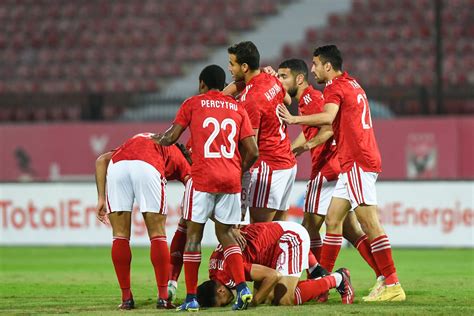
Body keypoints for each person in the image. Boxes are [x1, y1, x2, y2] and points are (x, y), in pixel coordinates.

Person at [278, 45, 406, 302]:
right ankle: (326, 286)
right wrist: (304, 145)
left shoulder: (334, 88)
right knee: (334, 220)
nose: (312, 68)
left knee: (369, 223)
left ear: (327, 66)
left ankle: (392, 282)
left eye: (315, 64)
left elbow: (328, 117)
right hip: (351, 163)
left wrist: (293, 121)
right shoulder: (354, 84)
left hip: (357, 161)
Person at [155, 64, 259, 311]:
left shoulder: (193, 103)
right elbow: (253, 151)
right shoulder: (238, 108)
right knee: (226, 236)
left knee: (194, 237)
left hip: (202, 178)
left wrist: (155, 140)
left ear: (202, 83)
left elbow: (171, 137)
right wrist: (237, 170)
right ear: (223, 85)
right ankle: (243, 289)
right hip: (230, 180)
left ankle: (191, 298)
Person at [95, 134, 191, 310]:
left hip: (118, 167)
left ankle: (126, 299)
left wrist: (101, 198)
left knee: (120, 236)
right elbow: (192, 184)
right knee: (157, 234)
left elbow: (101, 160)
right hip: (148, 164)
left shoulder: (142, 139)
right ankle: (163, 298)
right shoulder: (176, 153)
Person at [196, 221, 354, 307]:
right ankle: (314, 268)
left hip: (288, 238)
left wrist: (254, 303)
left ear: (221, 291)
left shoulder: (230, 270)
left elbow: (273, 275)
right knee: (269, 298)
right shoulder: (215, 271)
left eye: (223, 304)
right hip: (270, 244)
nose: (227, 304)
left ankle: (339, 278)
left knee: (285, 300)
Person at [227, 41, 297, 223]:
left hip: (269, 167)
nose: (229, 68)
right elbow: (288, 100)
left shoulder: (251, 99)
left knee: (259, 232)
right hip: (287, 163)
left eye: (232, 64)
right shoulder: (272, 79)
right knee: (278, 231)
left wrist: (237, 172)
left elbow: (252, 146)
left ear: (244, 66)